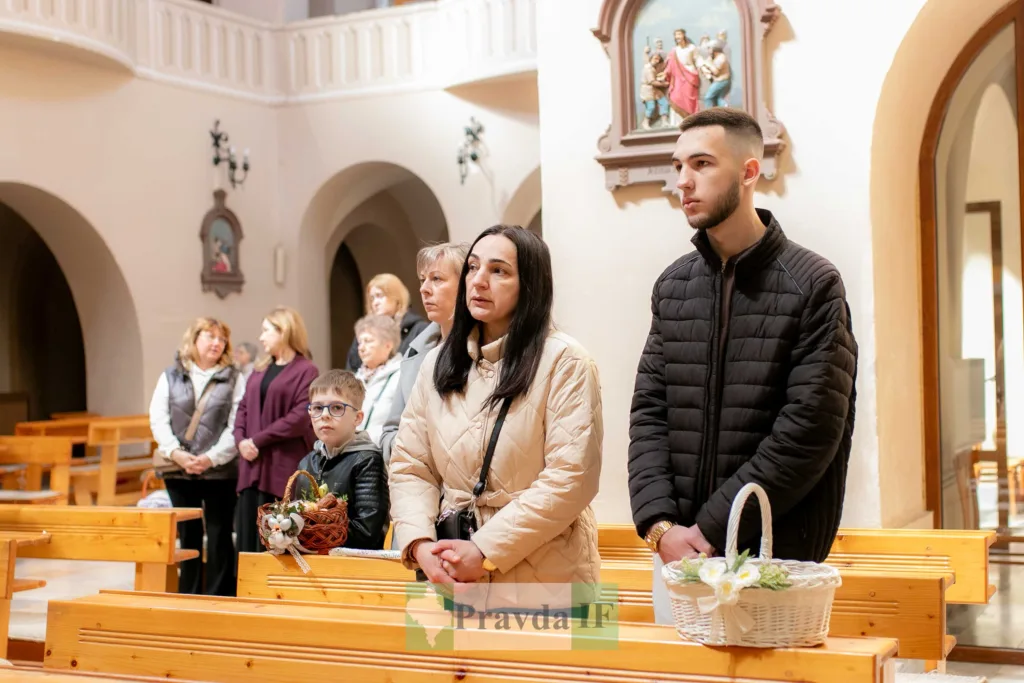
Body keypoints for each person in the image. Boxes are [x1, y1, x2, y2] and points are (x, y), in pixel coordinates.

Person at [626, 108, 858, 625]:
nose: (682, 181)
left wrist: (709, 530)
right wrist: (661, 527)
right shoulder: (673, 285)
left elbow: (810, 429)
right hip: (680, 557)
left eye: (702, 164)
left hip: (774, 555)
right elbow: (649, 413)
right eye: (678, 165)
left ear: (750, 173)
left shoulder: (814, 284)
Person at [389, 225, 603, 611]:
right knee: (454, 673)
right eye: (472, 268)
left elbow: (571, 478)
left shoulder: (565, 361)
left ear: (531, 284)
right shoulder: (438, 363)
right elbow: (410, 465)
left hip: (549, 582)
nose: (479, 281)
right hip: (453, 575)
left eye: (499, 271)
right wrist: (420, 544)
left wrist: (485, 549)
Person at [148, 317, 245, 596]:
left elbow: (236, 422)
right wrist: (176, 454)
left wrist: (212, 458)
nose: (217, 343)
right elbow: (158, 418)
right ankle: (188, 595)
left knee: (218, 535)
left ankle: (219, 596)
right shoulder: (171, 375)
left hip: (220, 471)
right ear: (194, 339)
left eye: (222, 339)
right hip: (179, 470)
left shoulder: (234, 377)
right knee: (188, 536)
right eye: (210, 336)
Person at [234, 306, 319, 554]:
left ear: (284, 331)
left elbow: (299, 417)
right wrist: (241, 441)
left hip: (280, 467)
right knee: (247, 538)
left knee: (274, 540)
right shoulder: (259, 369)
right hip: (251, 466)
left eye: (266, 331)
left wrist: (257, 440)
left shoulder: (306, 370)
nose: (261, 338)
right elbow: (242, 408)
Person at [379, 241, 469, 465]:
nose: (424, 288)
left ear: (467, 285)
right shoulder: (415, 352)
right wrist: (412, 455)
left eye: (436, 279)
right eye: (423, 280)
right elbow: (390, 431)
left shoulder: (483, 350)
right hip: (417, 482)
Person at [293, 369, 389, 550]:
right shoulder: (306, 463)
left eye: (337, 407)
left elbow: (368, 532)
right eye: (317, 408)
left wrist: (312, 529)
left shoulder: (367, 460)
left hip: (355, 565)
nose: (325, 415)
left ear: (358, 418)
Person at [345, 274, 429, 372]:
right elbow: (351, 368)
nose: (375, 303)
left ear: (396, 297)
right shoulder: (365, 333)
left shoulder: (419, 329)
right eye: (372, 299)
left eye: (379, 296)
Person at [353, 314, 403, 443]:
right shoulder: (354, 379)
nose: (361, 348)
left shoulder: (402, 375)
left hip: (384, 454)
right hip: (354, 454)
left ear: (388, 345)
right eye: (360, 342)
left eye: (368, 341)